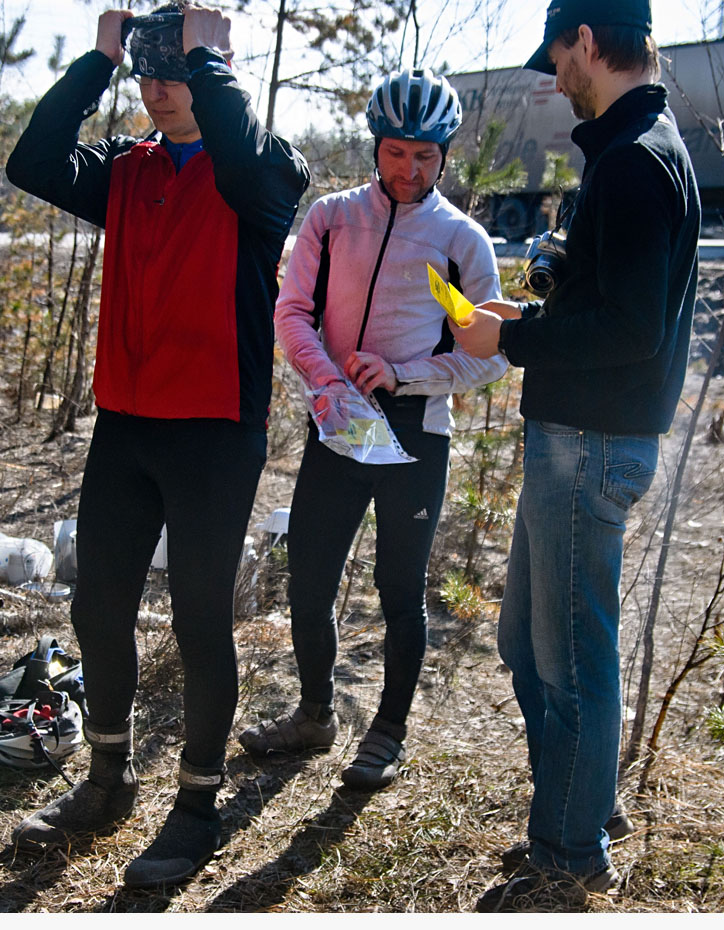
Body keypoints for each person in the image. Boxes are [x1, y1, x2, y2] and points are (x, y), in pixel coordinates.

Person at [3, 2, 309, 889]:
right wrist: (99, 60)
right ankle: (108, 778)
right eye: (149, 73)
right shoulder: (125, 168)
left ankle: (197, 807)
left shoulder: (266, 167)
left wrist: (209, 62)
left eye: (179, 71)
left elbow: (243, 157)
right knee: (97, 608)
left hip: (215, 430)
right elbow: (30, 163)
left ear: (216, 70)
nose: (161, 89)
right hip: (126, 426)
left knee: (200, 619)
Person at [452, 0, 700, 912]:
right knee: (529, 644)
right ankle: (583, 801)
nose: (556, 79)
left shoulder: (634, 161)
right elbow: (610, 308)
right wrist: (524, 317)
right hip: (582, 437)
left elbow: (631, 330)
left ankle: (569, 851)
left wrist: (513, 342)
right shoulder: (638, 149)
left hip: (589, 445)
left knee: (569, 664)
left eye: (559, 56)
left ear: (588, 43)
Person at [238, 70, 507, 790]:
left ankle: (387, 733)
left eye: (424, 156)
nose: (408, 170)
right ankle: (314, 715)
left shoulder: (461, 241)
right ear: (375, 147)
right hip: (339, 424)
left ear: (445, 156)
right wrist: (326, 380)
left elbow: (489, 354)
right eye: (395, 152)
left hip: (417, 433)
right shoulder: (331, 220)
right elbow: (292, 311)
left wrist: (403, 374)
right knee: (309, 580)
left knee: (399, 588)